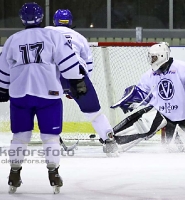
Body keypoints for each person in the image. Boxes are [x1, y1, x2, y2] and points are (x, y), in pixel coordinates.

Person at [0, 2, 86, 194]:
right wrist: (77, 81)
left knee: (20, 137)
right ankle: (53, 173)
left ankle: (14, 173)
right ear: (41, 18)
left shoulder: (12, 40)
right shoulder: (52, 35)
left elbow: (4, 69)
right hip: (48, 94)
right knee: (50, 138)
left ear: (22, 18)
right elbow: (68, 63)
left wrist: (2, 89)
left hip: (20, 95)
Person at [45, 9, 119, 157]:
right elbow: (88, 67)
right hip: (76, 75)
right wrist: (79, 88)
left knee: (45, 107)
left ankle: (51, 142)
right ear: (71, 22)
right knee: (94, 112)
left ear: (54, 21)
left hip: (50, 75)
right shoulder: (79, 37)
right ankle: (109, 141)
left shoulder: (45, 31)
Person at [111, 42, 185, 152]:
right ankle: (115, 140)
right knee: (144, 124)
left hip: (178, 116)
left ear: (162, 56)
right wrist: (131, 100)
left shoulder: (182, 68)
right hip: (159, 111)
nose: (151, 60)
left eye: (154, 58)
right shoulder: (150, 74)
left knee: (173, 146)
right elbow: (142, 93)